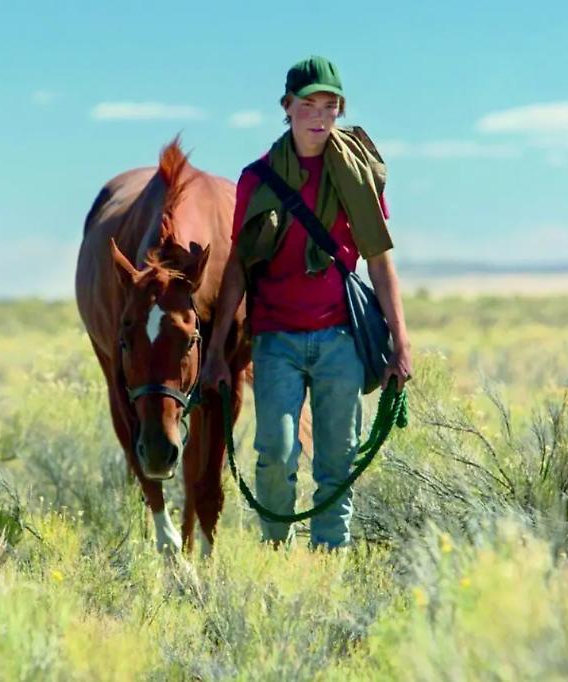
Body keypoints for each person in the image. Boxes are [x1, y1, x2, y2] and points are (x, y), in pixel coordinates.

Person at [202, 55, 412, 550]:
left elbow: (380, 262)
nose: (319, 116)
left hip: (342, 337)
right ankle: (276, 553)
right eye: (308, 105)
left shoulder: (356, 176)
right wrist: (214, 352)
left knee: (337, 460)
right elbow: (238, 268)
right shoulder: (258, 179)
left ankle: (327, 569)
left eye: (330, 105)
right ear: (287, 107)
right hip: (275, 339)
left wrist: (401, 342)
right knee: (275, 451)